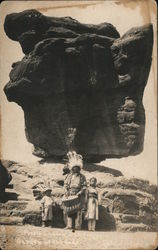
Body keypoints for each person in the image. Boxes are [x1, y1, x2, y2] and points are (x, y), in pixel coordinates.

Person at [64, 151, 87, 232]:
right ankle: (69, 225)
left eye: (77, 168)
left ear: (79, 169)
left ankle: (77, 225)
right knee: (69, 210)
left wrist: (80, 192)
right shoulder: (69, 176)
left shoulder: (82, 177)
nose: (76, 169)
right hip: (70, 193)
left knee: (78, 210)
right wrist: (66, 191)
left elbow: (84, 186)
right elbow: (66, 185)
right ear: (72, 168)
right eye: (74, 168)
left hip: (78, 194)